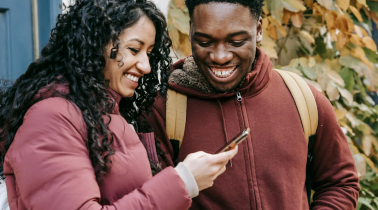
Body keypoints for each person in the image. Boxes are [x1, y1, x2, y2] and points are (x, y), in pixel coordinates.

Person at [0, 0, 238, 209]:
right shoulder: (52, 117)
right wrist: (183, 181)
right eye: (134, 49)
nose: (146, 66)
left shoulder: (113, 112)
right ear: (95, 44)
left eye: (148, 53)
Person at [145, 0, 361, 209]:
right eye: (205, 42)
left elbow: (340, 182)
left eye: (236, 42)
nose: (220, 57)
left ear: (258, 30)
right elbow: (153, 201)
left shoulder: (303, 99)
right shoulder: (163, 108)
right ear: (191, 30)